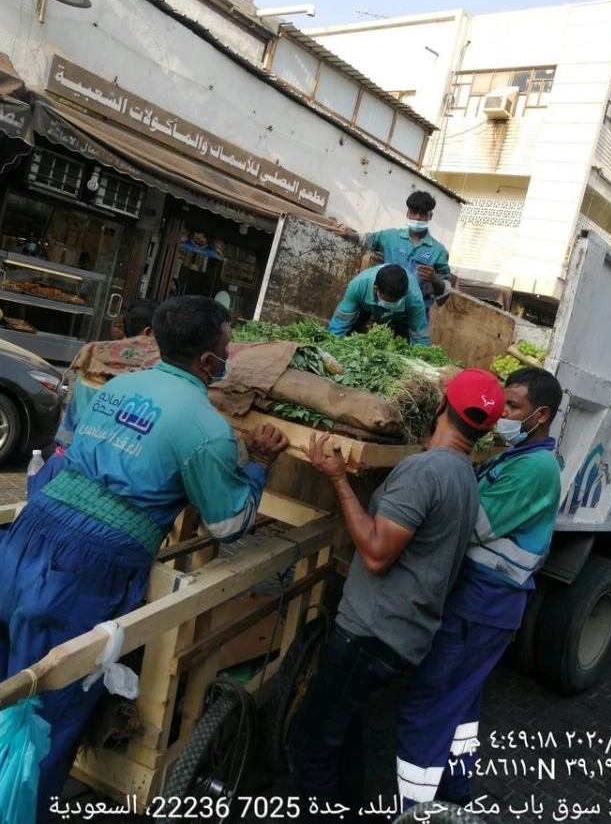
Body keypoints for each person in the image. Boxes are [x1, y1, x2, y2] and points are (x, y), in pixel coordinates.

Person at [0, 296, 288, 822]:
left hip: (26, 535)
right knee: (43, 709)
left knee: (5, 682)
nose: (228, 356)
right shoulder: (206, 429)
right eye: (226, 345)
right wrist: (260, 464)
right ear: (208, 360)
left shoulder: (117, 387)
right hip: (85, 569)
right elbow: (228, 523)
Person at [288, 369, 505, 821]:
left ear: (441, 405)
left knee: (309, 745)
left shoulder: (425, 471)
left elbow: (376, 553)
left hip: (368, 636)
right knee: (342, 733)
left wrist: (338, 479)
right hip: (402, 638)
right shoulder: (464, 476)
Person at [396, 367, 563, 810]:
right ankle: (455, 795)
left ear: (541, 415)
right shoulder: (514, 456)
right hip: (483, 607)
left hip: (480, 607)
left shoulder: (536, 468)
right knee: (460, 706)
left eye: (514, 407)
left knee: (425, 709)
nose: (502, 415)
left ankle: (413, 812)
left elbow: (469, 525)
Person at [56, 299, 161, 448]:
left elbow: (71, 418)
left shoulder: (93, 356)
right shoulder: (145, 372)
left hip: (73, 447)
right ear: (148, 333)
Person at [341, 191, 451, 315]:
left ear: (430, 216)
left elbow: (445, 289)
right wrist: (349, 235)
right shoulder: (391, 236)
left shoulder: (438, 251)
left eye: (423, 214)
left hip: (415, 310)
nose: (418, 217)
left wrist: (434, 278)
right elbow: (366, 239)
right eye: (414, 212)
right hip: (387, 304)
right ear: (408, 213)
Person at [328, 263, 430, 345]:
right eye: (388, 301)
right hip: (367, 306)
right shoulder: (358, 286)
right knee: (351, 331)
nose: (391, 305)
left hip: (402, 315)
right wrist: (331, 343)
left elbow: (419, 335)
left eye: (395, 302)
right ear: (376, 289)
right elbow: (341, 320)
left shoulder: (414, 299)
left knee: (404, 342)